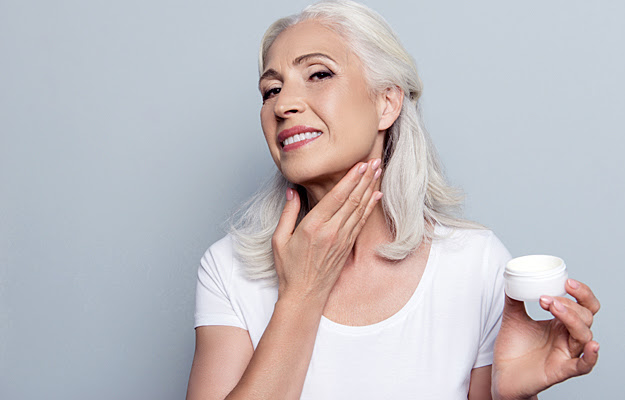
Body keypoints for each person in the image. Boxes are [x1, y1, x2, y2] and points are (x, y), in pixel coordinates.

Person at [186, 1, 600, 399]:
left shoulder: (475, 265)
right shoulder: (229, 270)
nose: (283, 105)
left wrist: (510, 397)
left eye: (318, 74)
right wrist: (302, 293)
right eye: (270, 89)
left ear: (387, 103)